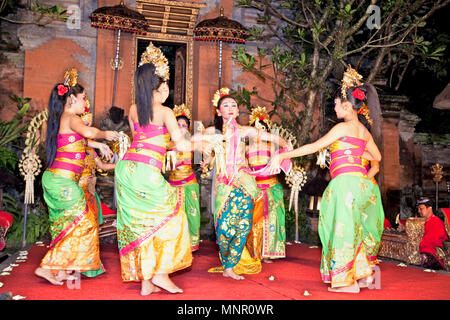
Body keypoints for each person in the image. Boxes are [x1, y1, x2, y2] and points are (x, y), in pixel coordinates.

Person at [269, 67, 384, 293]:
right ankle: (362, 275)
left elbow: (313, 147)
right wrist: (356, 154)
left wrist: (283, 154)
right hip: (361, 185)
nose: (334, 106)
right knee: (355, 228)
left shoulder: (342, 128)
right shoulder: (363, 130)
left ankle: (346, 283)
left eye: (336, 103)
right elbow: (377, 157)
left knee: (340, 229)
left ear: (348, 106)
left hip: (344, 185)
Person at [114, 43, 195, 295]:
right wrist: (204, 140)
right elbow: (180, 144)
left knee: (142, 222)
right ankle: (161, 274)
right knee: (173, 217)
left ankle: (146, 281)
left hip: (126, 169)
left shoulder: (133, 109)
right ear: (162, 87)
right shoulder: (165, 111)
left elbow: (148, 140)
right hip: (147, 172)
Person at [35, 83, 119, 285]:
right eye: (83, 98)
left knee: (69, 225)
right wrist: (105, 135)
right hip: (61, 182)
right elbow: (88, 133)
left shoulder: (65, 120)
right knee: (86, 222)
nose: (85, 102)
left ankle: (63, 270)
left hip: (59, 181)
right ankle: (46, 267)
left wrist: (98, 144)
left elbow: (82, 140)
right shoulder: (72, 118)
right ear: (71, 99)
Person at [203, 88, 289, 280]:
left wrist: (285, 148)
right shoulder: (212, 131)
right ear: (218, 111)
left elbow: (271, 137)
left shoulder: (244, 131)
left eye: (234, 104)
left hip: (245, 182)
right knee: (224, 226)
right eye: (226, 105)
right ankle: (227, 260)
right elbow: (204, 151)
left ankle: (230, 267)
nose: (231, 107)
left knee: (242, 224)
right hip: (225, 183)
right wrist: (207, 159)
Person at [246, 106, 287, 262]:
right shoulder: (247, 148)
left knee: (272, 220)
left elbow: (285, 144)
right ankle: (255, 251)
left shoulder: (272, 146)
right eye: (255, 129)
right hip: (255, 188)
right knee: (255, 221)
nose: (259, 132)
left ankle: (269, 252)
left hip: (271, 187)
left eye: (262, 128)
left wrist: (267, 135)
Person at [78, 111, 116, 278]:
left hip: (90, 194)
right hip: (77, 194)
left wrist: (122, 164)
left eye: (89, 125)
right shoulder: (75, 147)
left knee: (92, 229)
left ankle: (89, 264)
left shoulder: (92, 151)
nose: (87, 129)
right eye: (84, 126)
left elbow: (103, 166)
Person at [167, 104, 201, 251]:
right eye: (178, 125)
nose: (181, 127)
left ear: (188, 128)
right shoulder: (167, 144)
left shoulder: (193, 143)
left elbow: (201, 161)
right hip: (173, 183)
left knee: (192, 213)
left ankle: (191, 244)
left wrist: (205, 163)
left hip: (189, 183)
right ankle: (175, 244)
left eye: (184, 125)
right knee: (173, 215)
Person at [417, 198, 448, 270]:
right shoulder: (423, 222)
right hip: (425, 252)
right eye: (418, 209)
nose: (419, 211)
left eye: (421, 209)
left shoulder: (436, 222)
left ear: (429, 208)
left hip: (434, 256)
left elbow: (429, 241)